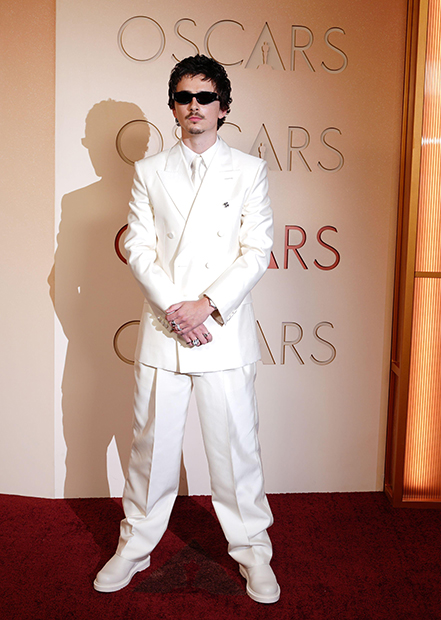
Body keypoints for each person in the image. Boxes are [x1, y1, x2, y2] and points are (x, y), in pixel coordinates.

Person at [93, 55, 278, 604]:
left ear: (223, 106)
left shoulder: (249, 171)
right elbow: (139, 246)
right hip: (164, 329)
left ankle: (253, 554)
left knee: (236, 451)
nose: (193, 107)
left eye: (204, 97)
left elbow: (257, 250)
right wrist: (177, 307)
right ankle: (134, 546)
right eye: (183, 97)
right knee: (150, 450)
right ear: (172, 106)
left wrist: (207, 306)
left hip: (221, 330)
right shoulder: (149, 172)